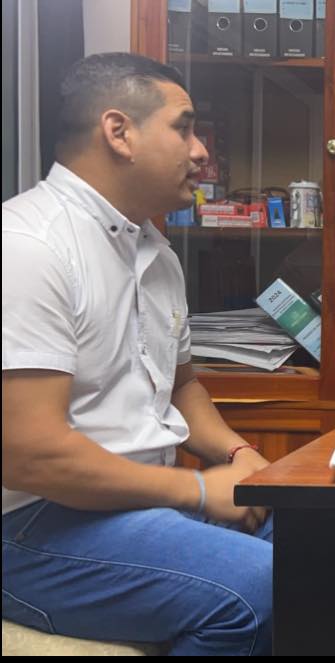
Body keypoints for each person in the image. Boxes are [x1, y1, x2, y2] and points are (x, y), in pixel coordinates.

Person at [2, 53, 272, 655]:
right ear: (118, 132)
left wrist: (240, 454)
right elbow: (29, 457)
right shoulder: (26, 246)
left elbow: (182, 387)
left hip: (138, 501)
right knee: (259, 589)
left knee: (330, 542)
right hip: (32, 523)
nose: (201, 152)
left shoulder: (156, 252)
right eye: (184, 128)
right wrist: (197, 490)